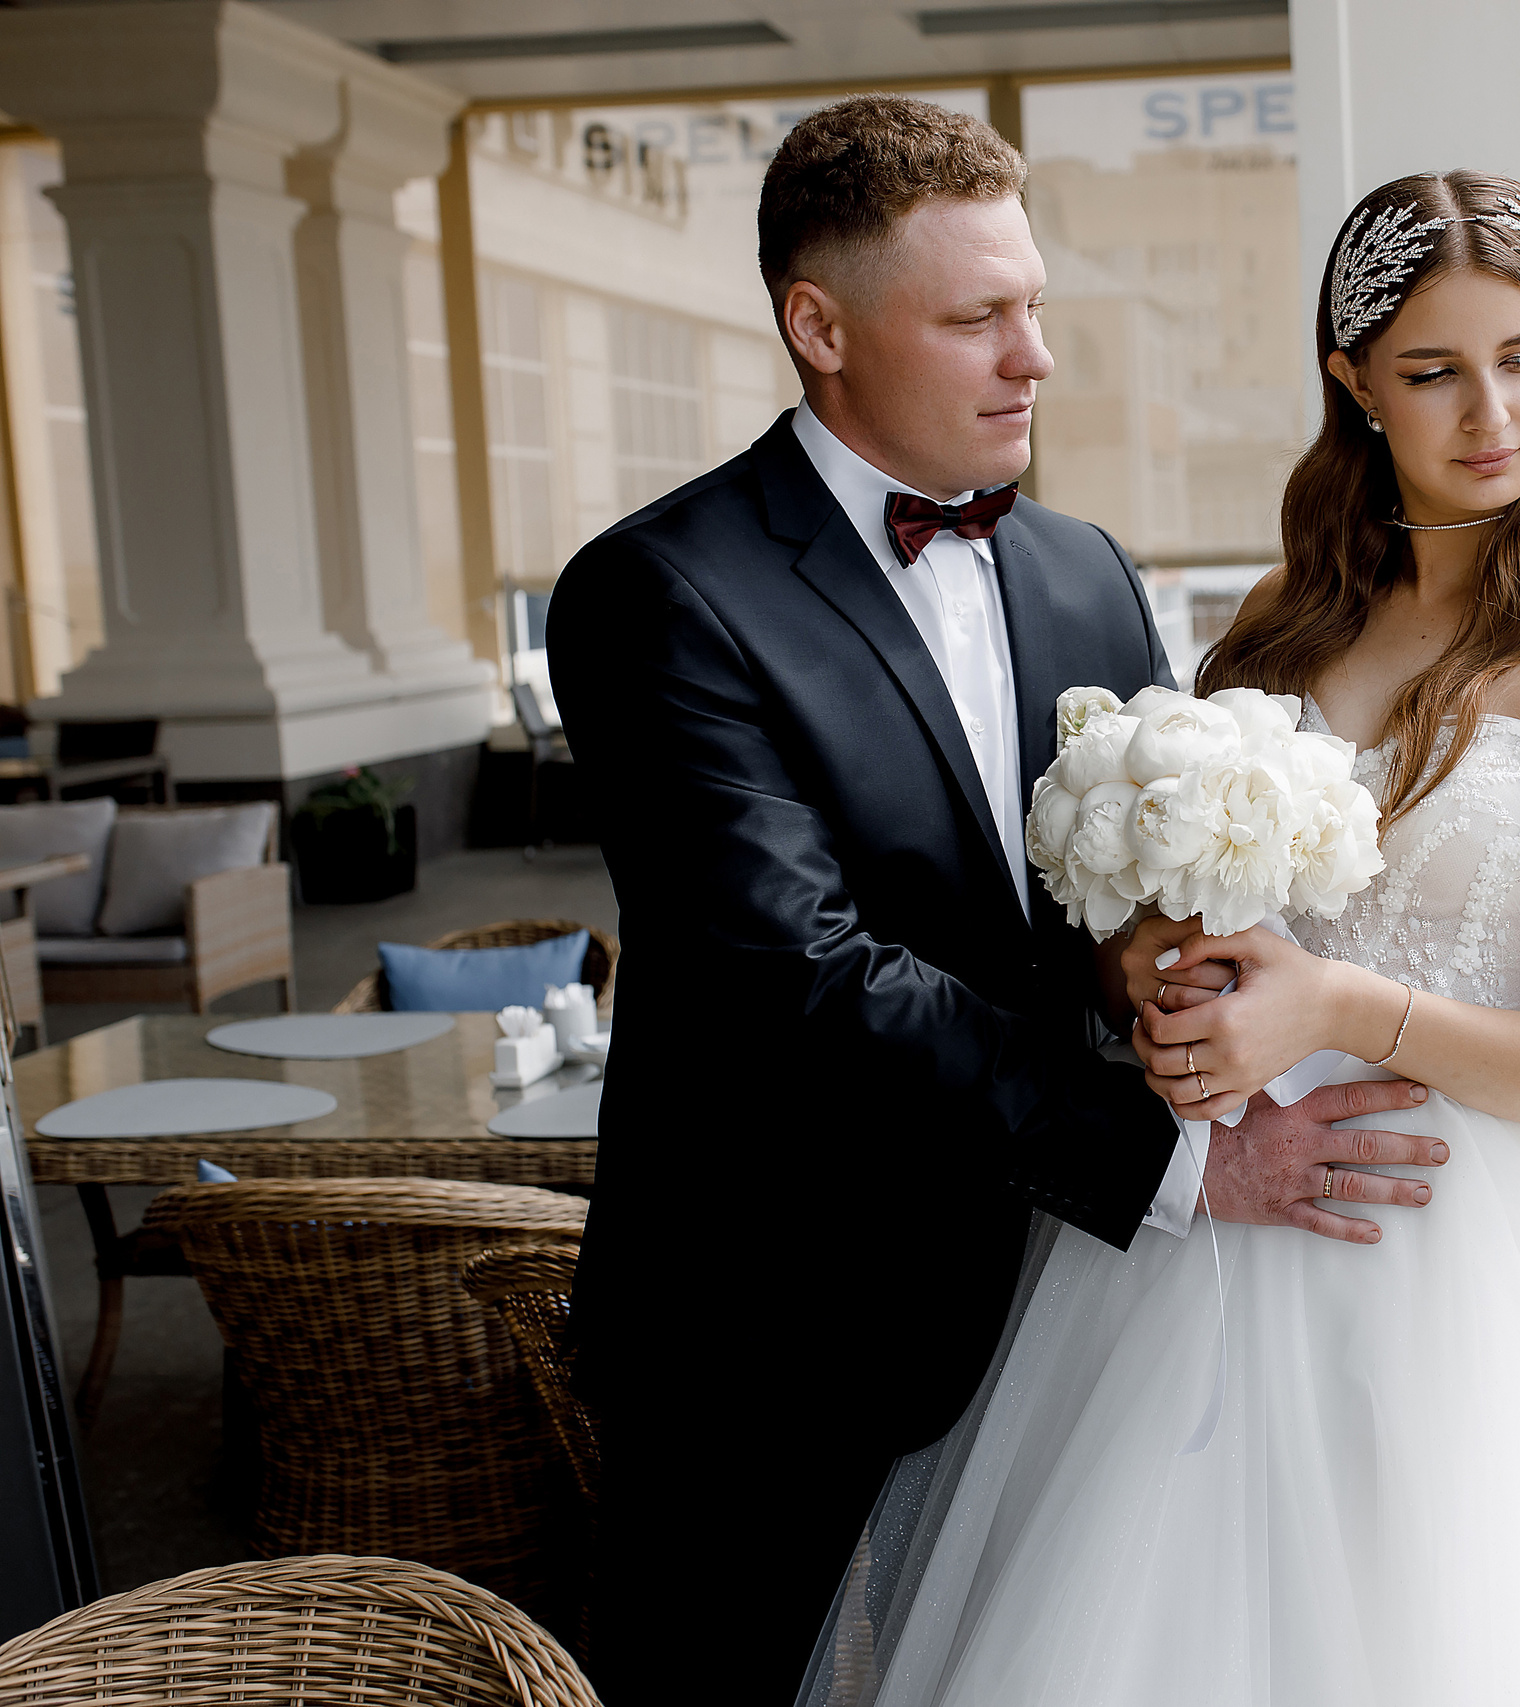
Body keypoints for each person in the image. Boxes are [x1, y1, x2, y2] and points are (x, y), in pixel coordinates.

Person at [545, 97, 1447, 1707]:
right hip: (765, 1339)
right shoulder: (656, 594)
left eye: (1033, 307)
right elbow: (793, 976)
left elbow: (1110, 908)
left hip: (1052, 1310)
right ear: (817, 326)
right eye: (977, 318)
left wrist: (1170, 985)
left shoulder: (1085, 569)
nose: (1033, 357)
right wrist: (1179, 1162)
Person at [811, 169, 1520, 1707]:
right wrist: (1151, 976)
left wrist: (1343, 1007)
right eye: (1433, 370)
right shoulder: (1289, 611)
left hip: (1436, 1253)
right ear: (1354, 384)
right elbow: (1173, 916)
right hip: (1200, 1230)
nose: (1493, 412)